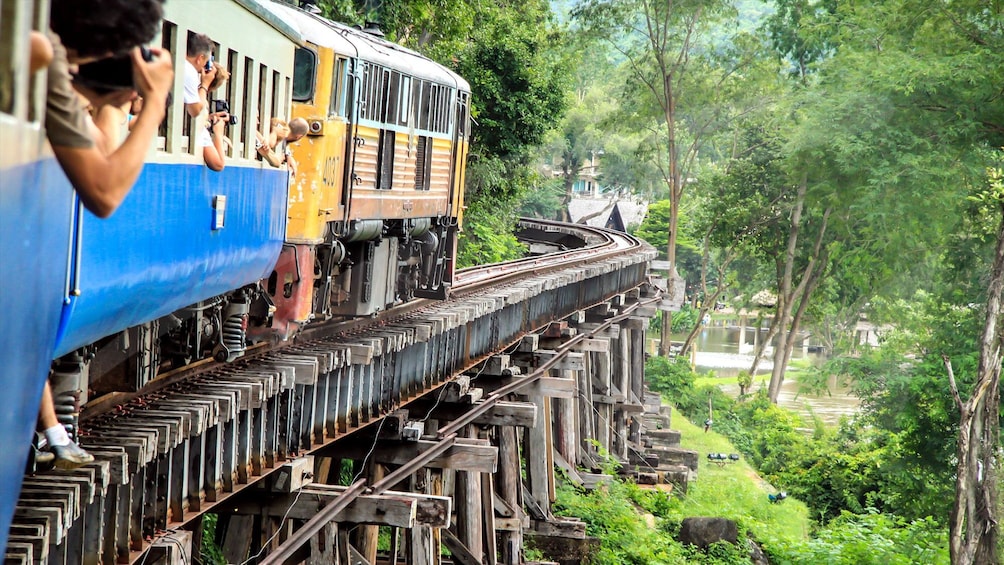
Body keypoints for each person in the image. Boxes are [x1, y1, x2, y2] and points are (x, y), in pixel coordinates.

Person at [37, 0, 174, 469]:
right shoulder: (44, 53)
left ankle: (52, 431)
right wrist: (153, 100)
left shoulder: (47, 56)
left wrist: (111, 100)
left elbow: (99, 150)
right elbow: (104, 190)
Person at [183, 33, 217, 118]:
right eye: (205, 61)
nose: (204, 65)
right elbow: (195, 111)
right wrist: (205, 84)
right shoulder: (190, 71)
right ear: (200, 58)